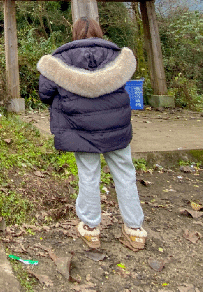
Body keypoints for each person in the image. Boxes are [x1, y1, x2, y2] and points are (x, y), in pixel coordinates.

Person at [37, 16, 147, 252]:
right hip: (115, 125)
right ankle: (135, 231)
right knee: (125, 174)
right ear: (99, 31)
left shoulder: (59, 60)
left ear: (75, 33)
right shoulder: (119, 57)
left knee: (88, 175)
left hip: (80, 128)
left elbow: (44, 92)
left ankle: (90, 230)